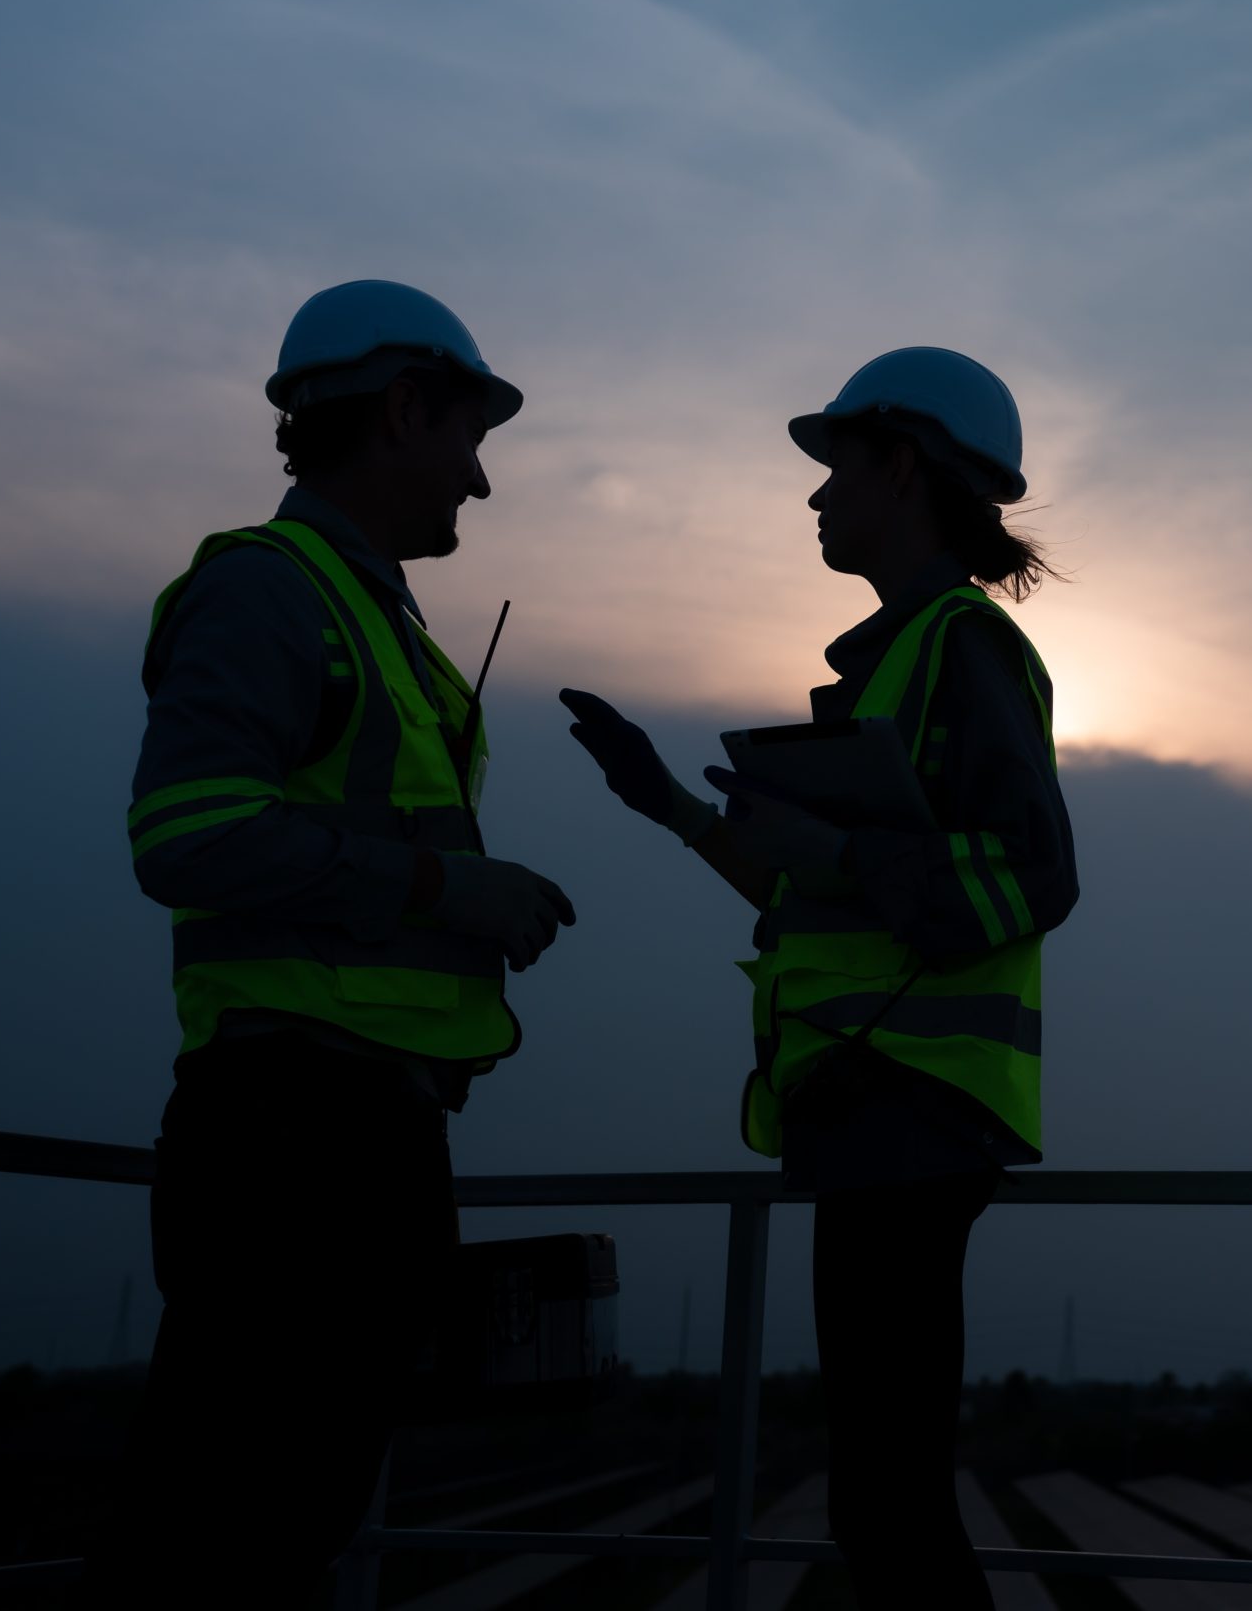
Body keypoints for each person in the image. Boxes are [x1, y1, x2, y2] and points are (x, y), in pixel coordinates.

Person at [83, 281, 577, 1607]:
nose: (480, 478)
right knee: (220, 1533)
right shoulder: (268, 589)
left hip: (358, 1133)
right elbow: (184, 834)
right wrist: (449, 891)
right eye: (471, 435)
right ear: (403, 409)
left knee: (272, 1524)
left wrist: (461, 901)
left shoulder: (375, 624)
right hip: (292, 1139)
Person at [560, 347, 1075, 1609]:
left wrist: (840, 846)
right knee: (881, 1495)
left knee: (888, 1502)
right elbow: (830, 898)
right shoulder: (902, 660)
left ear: (901, 465)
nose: (813, 497)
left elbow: (1033, 871)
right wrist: (674, 808)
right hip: (873, 1112)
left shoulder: (961, 649)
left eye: (835, 465)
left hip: (912, 1108)